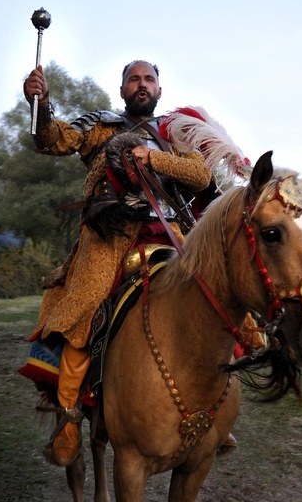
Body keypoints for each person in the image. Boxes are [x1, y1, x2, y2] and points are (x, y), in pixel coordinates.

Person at [21, 60, 243, 466]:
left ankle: (215, 411)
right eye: (134, 79)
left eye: (149, 79)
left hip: (172, 232)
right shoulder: (100, 126)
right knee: (83, 307)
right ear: (122, 88)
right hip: (110, 235)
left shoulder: (174, 133)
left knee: (221, 298)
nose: (142, 85)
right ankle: (70, 417)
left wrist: (153, 158)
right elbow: (53, 139)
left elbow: (198, 174)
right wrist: (41, 102)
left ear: (159, 88)